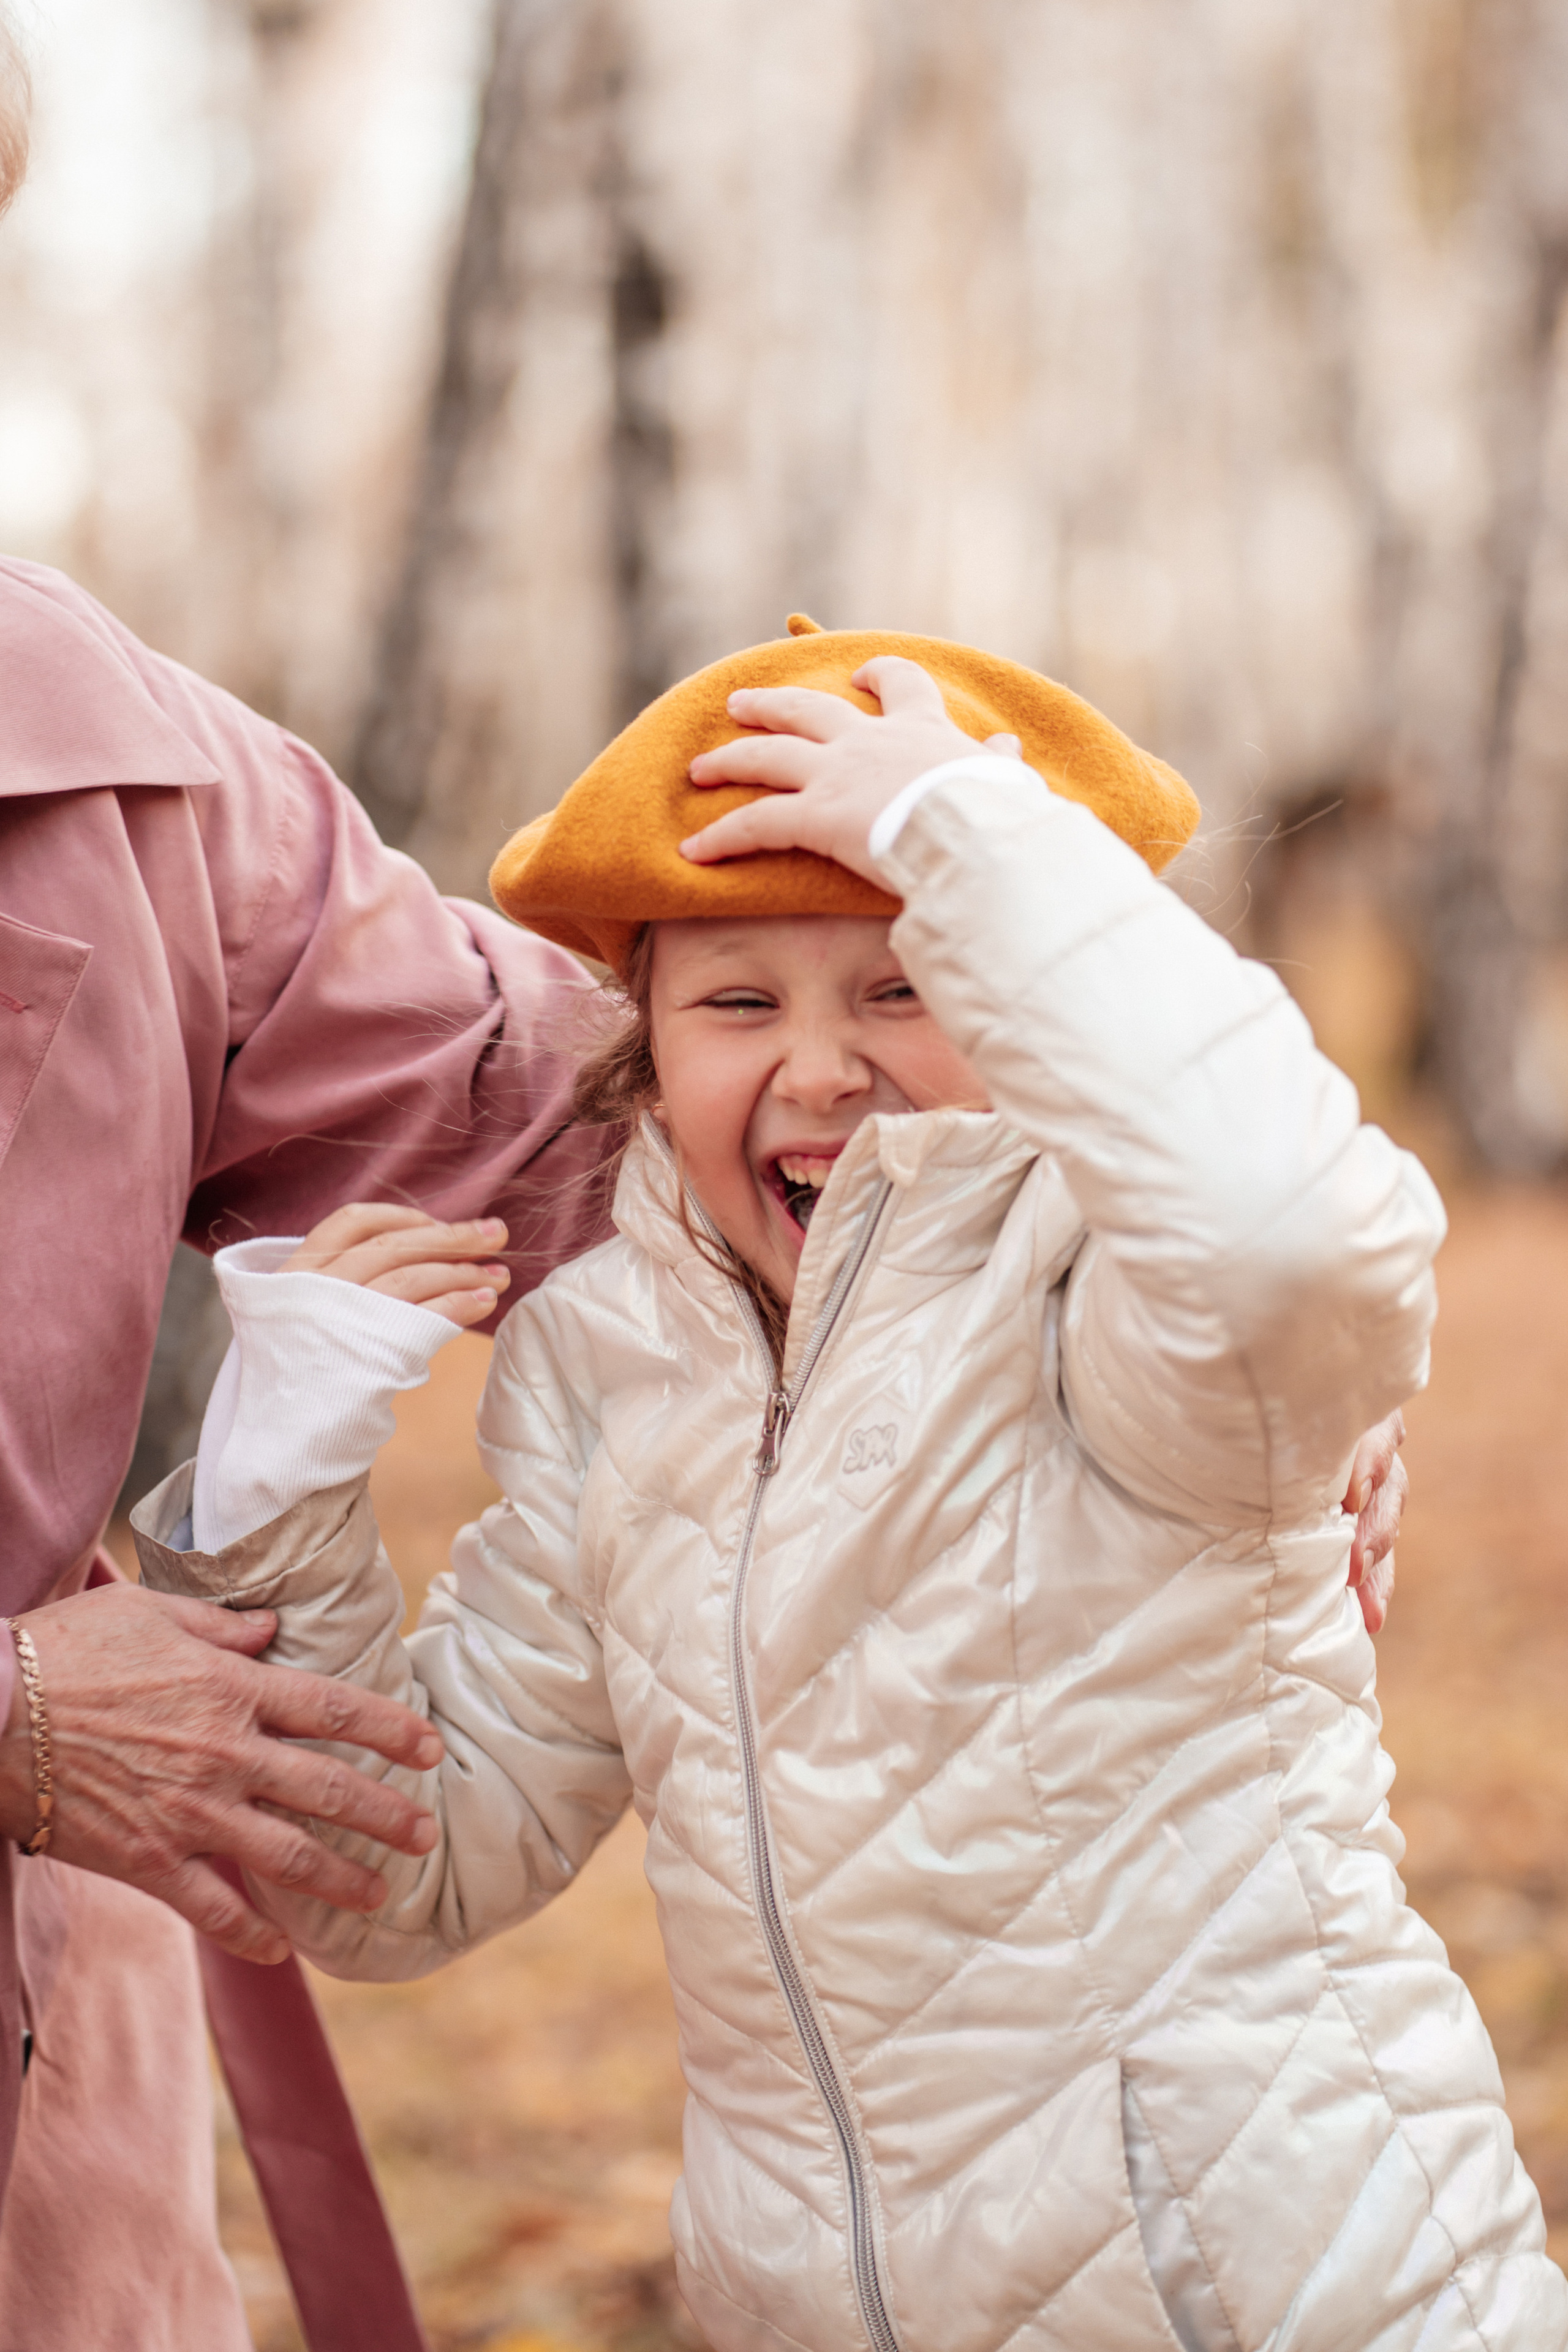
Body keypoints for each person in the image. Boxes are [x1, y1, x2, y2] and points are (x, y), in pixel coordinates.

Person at [132, 625, 1560, 2351]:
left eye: (906, 986)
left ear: (1035, 1005)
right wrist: (276, 1479)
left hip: (1274, 2296)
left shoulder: (1113, 1311)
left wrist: (975, 833)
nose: (819, 1067)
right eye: (738, 1002)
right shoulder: (605, 1371)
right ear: (644, 1059)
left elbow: (1289, 1239)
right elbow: (398, 1870)